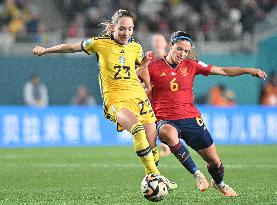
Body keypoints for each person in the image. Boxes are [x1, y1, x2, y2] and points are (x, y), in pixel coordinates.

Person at [32, 9, 176, 189]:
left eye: (130, 29)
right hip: (116, 100)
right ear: (114, 27)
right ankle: (156, 177)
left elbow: (140, 69)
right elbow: (71, 47)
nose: (126, 33)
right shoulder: (100, 43)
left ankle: (155, 178)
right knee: (137, 130)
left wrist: (148, 84)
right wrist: (46, 50)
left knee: (152, 146)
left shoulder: (135, 48)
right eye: (122, 29)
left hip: (137, 96)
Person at [140, 31, 267, 196]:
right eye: (179, 49)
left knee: (215, 162)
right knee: (168, 133)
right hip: (165, 119)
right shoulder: (153, 66)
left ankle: (219, 183)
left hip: (191, 118)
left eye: (186, 51)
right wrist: (142, 71)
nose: (182, 54)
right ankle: (197, 174)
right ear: (170, 46)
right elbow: (135, 83)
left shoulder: (192, 65)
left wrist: (249, 70)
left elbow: (222, 70)